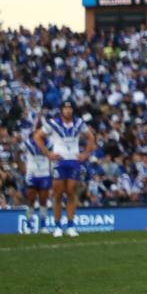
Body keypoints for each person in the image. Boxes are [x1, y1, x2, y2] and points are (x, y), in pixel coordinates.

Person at [34, 101, 95, 237]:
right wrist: (47, 153)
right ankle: (57, 226)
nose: (68, 110)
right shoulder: (53, 123)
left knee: (71, 192)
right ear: (61, 110)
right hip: (59, 161)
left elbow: (91, 137)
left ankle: (70, 225)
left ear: (72, 110)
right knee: (57, 194)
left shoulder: (79, 123)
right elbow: (37, 136)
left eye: (70, 108)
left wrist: (85, 154)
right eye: (65, 108)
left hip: (73, 160)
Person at [22, 131, 52, 234]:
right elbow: (18, 153)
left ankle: (43, 226)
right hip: (32, 174)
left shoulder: (49, 144)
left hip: (44, 174)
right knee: (31, 201)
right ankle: (28, 225)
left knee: (43, 201)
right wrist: (21, 166)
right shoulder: (28, 143)